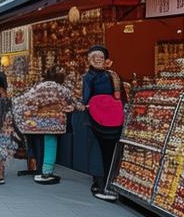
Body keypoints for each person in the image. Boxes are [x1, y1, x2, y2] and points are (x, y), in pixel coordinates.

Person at [13, 67, 76, 185]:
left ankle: (39, 171)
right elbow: (72, 102)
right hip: (55, 122)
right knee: (50, 145)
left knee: (39, 146)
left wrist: (26, 117)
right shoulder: (61, 89)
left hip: (38, 122)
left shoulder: (38, 87)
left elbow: (22, 101)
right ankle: (46, 172)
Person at [81, 45, 124, 201]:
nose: (97, 60)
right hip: (114, 119)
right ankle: (109, 182)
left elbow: (85, 98)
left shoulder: (88, 77)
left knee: (96, 152)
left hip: (95, 118)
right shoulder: (114, 76)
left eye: (99, 57)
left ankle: (99, 184)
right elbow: (120, 97)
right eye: (95, 57)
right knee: (110, 153)